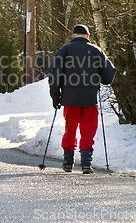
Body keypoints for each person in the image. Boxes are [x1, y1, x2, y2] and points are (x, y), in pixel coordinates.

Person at [48, 24, 116, 174]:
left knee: (70, 129)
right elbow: (109, 74)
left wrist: (55, 96)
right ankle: (86, 163)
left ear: (73, 36)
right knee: (88, 130)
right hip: (90, 99)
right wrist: (100, 78)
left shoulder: (64, 50)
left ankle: (68, 162)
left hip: (69, 100)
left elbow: (54, 74)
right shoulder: (95, 50)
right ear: (88, 36)